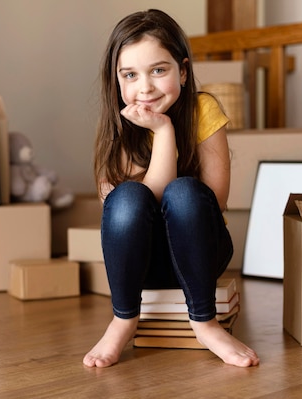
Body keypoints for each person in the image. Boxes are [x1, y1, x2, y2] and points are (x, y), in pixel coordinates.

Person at [83, 9, 260, 368]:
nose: (144, 87)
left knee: (185, 192)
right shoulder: (124, 125)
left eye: (158, 70)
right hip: (144, 260)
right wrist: (160, 132)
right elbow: (145, 200)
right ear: (117, 82)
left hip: (200, 251)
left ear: (182, 70)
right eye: (130, 75)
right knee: (129, 198)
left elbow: (216, 200)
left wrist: (166, 129)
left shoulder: (201, 109)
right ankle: (123, 318)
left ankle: (204, 322)